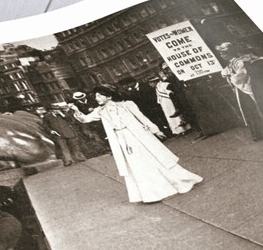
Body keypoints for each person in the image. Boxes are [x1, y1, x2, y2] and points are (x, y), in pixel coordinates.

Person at [73, 84, 203, 203]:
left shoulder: (127, 105)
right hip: (121, 141)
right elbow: (85, 119)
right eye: (96, 96)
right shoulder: (100, 111)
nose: (96, 98)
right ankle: (152, 194)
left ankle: (182, 181)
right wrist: (75, 109)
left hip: (139, 137)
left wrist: (155, 130)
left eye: (99, 95)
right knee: (137, 165)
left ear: (109, 96)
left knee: (154, 159)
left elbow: (141, 117)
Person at [156, 71, 191, 136]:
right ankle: (177, 131)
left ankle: (184, 128)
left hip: (169, 102)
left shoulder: (164, 84)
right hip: (164, 104)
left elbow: (170, 92)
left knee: (176, 115)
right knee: (170, 117)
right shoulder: (157, 87)